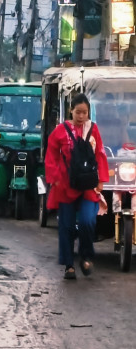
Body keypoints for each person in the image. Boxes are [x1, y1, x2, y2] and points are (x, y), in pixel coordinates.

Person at [45, 93, 109, 280]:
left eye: (85, 113)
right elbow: (51, 154)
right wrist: (55, 177)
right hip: (66, 184)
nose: (81, 116)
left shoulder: (93, 130)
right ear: (71, 110)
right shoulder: (60, 130)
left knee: (88, 221)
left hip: (88, 185)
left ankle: (86, 256)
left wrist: (101, 179)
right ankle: (69, 265)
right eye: (78, 112)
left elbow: (100, 154)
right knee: (66, 226)